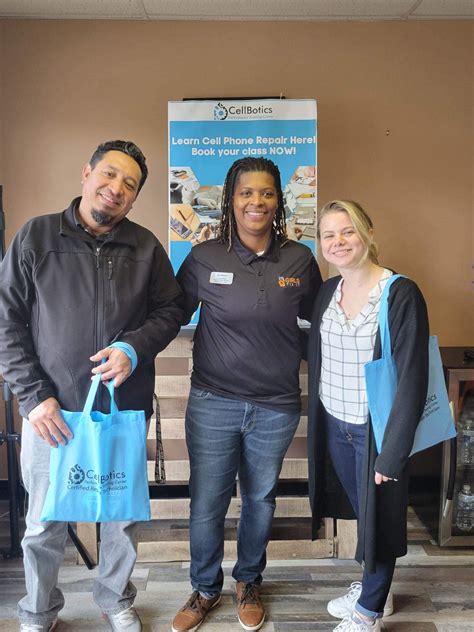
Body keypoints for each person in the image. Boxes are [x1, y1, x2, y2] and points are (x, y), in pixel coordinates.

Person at [0, 140, 183, 632]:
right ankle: (38, 610)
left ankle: (115, 597)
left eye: (129, 184)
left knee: (121, 517)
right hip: (51, 410)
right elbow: (6, 321)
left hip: (121, 409)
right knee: (44, 520)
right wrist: (34, 397)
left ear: (135, 197)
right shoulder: (36, 236)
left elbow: (172, 309)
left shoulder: (146, 247)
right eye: (109, 174)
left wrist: (134, 347)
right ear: (87, 173)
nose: (116, 188)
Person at [172, 157, 322, 632]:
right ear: (230, 200)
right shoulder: (204, 257)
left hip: (276, 405)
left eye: (266, 193)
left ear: (279, 201)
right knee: (207, 503)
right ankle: (204, 588)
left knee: (260, 499)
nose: (256, 202)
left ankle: (249, 581)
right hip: (212, 402)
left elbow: (323, 323)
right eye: (246, 192)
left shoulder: (300, 259)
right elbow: (167, 313)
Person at [306, 200, 429, 631]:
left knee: (380, 518)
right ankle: (378, 589)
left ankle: (368, 613)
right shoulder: (327, 292)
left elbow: (413, 376)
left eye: (348, 231)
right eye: (328, 235)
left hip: (377, 431)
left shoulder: (399, 293)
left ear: (368, 234)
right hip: (336, 424)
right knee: (365, 513)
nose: (338, 242)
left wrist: (393, 452)